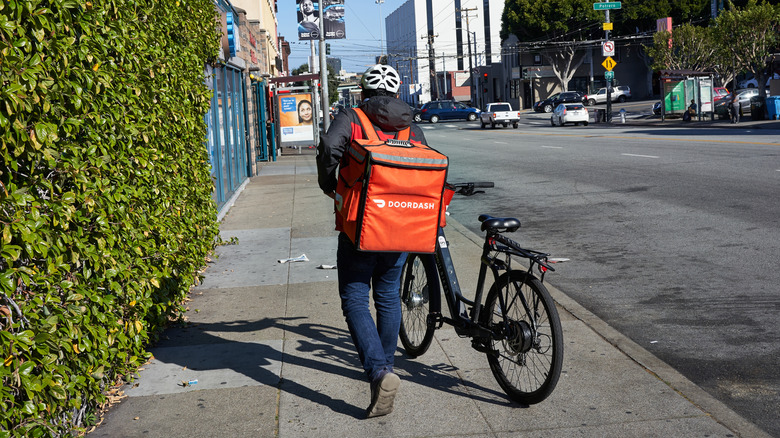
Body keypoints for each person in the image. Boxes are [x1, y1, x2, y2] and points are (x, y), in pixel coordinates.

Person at [316, 64, 427, 418]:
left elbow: (328, 147)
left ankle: (379, 372)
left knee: (354, 298)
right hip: (401, 225)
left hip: (360, 225)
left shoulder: (353, 118)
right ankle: (387, 366)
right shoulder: (411, 126)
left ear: (363, 92)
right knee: (388, 296)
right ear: (396, 95)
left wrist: (329, 184)